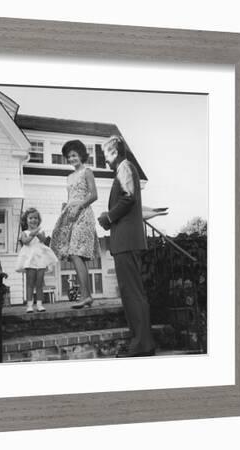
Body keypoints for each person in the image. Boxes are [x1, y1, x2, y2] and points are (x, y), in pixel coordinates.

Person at [97, 135, 156, 357]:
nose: (105, 160)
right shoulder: (125, 169)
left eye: (105, 155)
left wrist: (108, 217)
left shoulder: (125, 168)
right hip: (125, 241)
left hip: (126, 241)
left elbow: (128, 197)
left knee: (132, 294)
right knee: (131, 293)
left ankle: (142, 344)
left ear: (114, 152)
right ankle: (141, 342)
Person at [50, 140, 100, 309]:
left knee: (76, 253)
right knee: (74, 255)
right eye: (69, 156)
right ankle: (87, 296)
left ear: (81, 155)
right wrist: (66, 207)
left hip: (84, 214)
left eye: (74, 155)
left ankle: (86, 296)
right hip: (70, 215)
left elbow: (94, 195)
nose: (72, 158)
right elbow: (71, 197)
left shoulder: (87, 172)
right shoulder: (69, 177)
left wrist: (79, 205)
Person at [16, 207, 58, 313]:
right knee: (30, 283)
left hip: (40, 259)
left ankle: (39, 304)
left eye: (35, 218)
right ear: (26, 220)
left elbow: (43, 240)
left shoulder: (41, 231)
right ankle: (30, 305)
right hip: (30, 259)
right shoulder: (24, 232)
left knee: (39, 283)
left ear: (38, 220)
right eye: (30, 218)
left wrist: (37, 232)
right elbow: (25, 242)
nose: (33, 220)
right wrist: (32, 233)